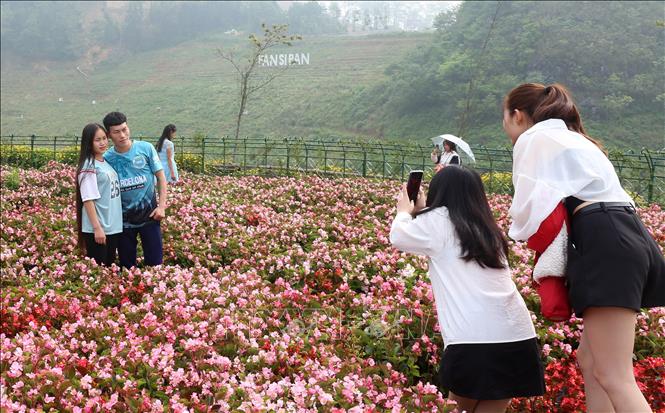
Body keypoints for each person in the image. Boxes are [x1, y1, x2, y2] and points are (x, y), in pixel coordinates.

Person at [503, 82, 664, 413]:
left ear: (518, 116)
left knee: (614, 374)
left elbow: (526, 212)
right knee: (590, 360)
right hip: (626, 234)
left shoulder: (533, 139)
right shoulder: (573, 138)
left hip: (605, 239)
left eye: (504, 117)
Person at [390, 165, 545, 413]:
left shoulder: (438, 220)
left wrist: (405, 212)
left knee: (456, 408)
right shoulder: (487, 229)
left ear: (439, 193)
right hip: (517, 336)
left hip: (472, 341)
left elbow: (399, 236)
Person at [102, 112, 168, 269]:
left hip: (150, 217)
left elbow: (161, 177)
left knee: (155, 265)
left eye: (124, 129)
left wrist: (162, 206)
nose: (122, 135)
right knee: (127, 267)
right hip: (122, 221)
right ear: (109, 135)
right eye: (116, 132)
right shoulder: (107, 158)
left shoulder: (145, 148)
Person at [75, 123, 123, 266]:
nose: (102, 143)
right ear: (89, 142)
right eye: (97, 140)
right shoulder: (89, 165)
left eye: (104, 138)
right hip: (99, 228)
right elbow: (88, 199)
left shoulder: (104, 162)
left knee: (109, 268)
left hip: (112, 226)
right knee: (100, 271)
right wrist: (97, 228)